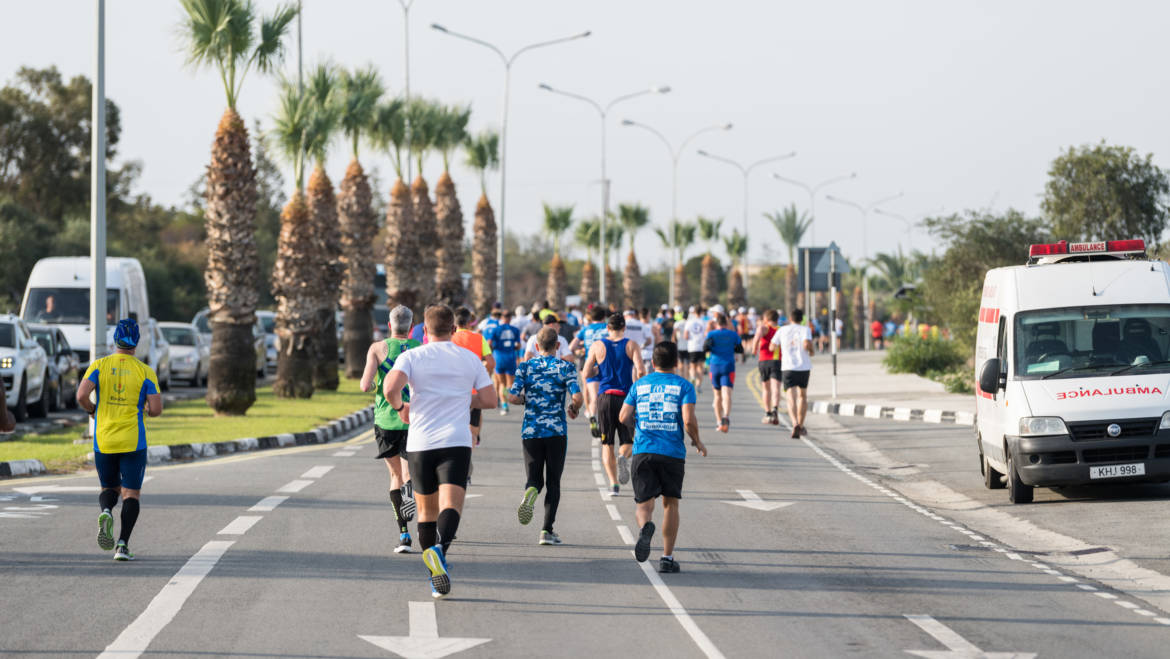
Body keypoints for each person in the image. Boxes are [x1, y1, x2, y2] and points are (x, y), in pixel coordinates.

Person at [384, 305, 498, 599]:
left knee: (425, 512)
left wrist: (401, 408)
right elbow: (489, 399)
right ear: (453, 329)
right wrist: (463, 400)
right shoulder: (469, 358)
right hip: (456, 441)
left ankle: (435, 570)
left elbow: (389, 388)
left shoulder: (412, 356)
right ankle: (439, 554)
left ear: (423, 329)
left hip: (420, 443)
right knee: (452, 506)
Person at [76, 318, 163, 561]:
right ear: (136, 342)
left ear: (115, 340)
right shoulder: (145, 371)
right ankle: (122, 545)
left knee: (109, 488)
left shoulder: (99, 365)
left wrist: (93, 411)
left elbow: (82, 394)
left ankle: (106, 511)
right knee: (131, 493)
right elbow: (156, 409)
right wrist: (145, 408)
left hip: (104, 439)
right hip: (133, 441)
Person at [619, 341, 706, 573]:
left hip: (643, 449)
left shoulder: (639, 385)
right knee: (670, 504)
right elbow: (688, 420)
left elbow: (623, 416)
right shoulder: (684, 386)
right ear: (676, 362)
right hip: (672, 453)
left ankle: (645, 528)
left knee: (644, 504)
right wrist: (697, 441)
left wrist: (635, 428)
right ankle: (667, 558)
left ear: (653, 363)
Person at [508, 327, 583, 545]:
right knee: (554, 482)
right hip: (556, 431)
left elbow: (512, 397)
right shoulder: (566, 367)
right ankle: (546, 531)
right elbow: (577, 396)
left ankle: (531, 491)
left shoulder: (525, 367)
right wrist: (574, 407)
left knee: (534, 478)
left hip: (531, 431)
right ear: (558, 346)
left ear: (536, 346)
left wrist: (525, 400)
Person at [359, 305, 420, 554]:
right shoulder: (419, 348)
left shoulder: (377, 348)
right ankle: (410, 490)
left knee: (394, 475)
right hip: (414, 416)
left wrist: (376, 381)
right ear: (411, 324)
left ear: (390, 323)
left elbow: (365, 385)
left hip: (386, 418)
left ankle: (404, 535)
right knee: (408, 473)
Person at [583, 313, 644, 495]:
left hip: (605, 398)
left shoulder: (598, 345)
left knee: (606, 443)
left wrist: (600, 369)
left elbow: (587, 373)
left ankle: (613, 484)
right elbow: (640, 370)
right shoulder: (631, 345)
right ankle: (623, 457)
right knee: (630, 440)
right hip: (626, 398)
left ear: (607, 328)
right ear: (624, 328)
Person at [452, 307, 494, 445]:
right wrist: (483, 376)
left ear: (455, 322)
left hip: (453, 391)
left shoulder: (449, 338)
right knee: (473, 430)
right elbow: (491, 363)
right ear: (470, 322)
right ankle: (471, 450)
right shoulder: (479, 338)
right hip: (473, 390)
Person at [771, 308, 814, 439]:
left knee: (790, 396)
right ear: (802, 319)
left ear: (790, 318)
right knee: (802, 396)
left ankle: (794, 423)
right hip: (804, 367)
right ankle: (800, 426)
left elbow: (772, 346)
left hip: (788, 367)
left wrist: (781, 347)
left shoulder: (782, 330)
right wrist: (811, 351)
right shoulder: (805, 329)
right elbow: (806, 344)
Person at [570, 306, 609, 438]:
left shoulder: (585, 330)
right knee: (606, 396)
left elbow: (572, 346)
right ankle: (605, 422)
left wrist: (581, 350)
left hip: (590, 365)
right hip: (606, 366)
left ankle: (593, 417)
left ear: (591, 318)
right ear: (604, 317)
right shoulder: (607, 328)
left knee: (594, 397)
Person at [703, 312, 743, 433]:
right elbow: (740, 349)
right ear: (726, 323)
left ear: (716, 323)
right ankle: (726, 415)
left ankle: (719, 421)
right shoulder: (733, 334)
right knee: (727, 394)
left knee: (717, 395)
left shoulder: (711, 334)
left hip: (714, 366)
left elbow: (705, 348)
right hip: (728, 365)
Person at [488, 309, 521, 416]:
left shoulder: (496, 329)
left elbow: (489, 343)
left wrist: (494, 349)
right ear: (510, 318)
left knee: (501, 383)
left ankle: (504, 404)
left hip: (499, 357)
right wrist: (513, 347)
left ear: (502, 318)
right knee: (509, 384)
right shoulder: (515, 330)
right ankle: (507, 398)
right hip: (510, 357)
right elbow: (519, 345)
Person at [752, 310, 782, 425]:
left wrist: (754, 349)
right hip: (777, 361)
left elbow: (756, 337)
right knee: (776, 388)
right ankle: (775, 409)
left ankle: (768, 413)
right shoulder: (781, 329)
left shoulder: (764, 328)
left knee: (766, 388)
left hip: (764, 361)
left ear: (766, 319)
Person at [681, 307, 708, 392]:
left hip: (692, 347)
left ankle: (692, 377)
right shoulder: (704, 322)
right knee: (700, 367)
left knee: (692, 366)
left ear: (694, 312)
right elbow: (706, 334)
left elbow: (685, 336)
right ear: (701, 312)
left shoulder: (689, 322)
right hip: (701, 347)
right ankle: (698, 385)